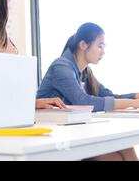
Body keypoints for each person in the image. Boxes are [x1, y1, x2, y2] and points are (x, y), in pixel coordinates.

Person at [37, 22, 138, 160]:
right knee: (115, 158)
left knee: (126, 146)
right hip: (53, 139)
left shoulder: (85, 72)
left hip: (73, 132)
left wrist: (134, 96)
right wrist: (134, 103)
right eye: (100, 45)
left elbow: (107, 95)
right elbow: (83, 101)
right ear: (83, 45)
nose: (103, 52)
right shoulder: (61, 66)